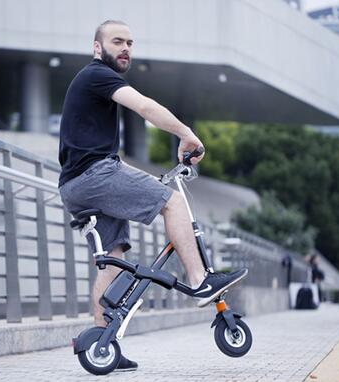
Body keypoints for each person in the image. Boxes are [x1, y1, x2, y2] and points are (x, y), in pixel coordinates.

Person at [57, 20, 248, 371]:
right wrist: (186, 134)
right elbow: (144, 107)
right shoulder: (97, 74)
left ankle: (104, 341)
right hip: (96, 174)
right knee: (171, 201)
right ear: (98, 48)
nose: (126, 48)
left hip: (75, 185)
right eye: (117, 42)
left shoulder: (93, 80)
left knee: (112, 258)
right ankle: (200, 282)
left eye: (130, 42)